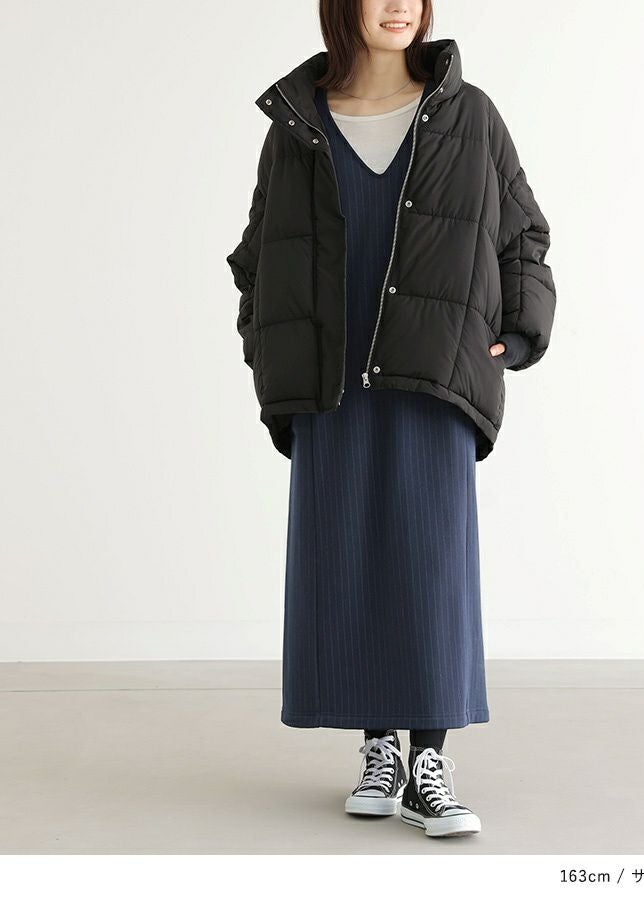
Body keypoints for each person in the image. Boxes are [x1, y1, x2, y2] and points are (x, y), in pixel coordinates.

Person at [227, 0, 556, 839]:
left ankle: (429, 763)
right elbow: (259, 251)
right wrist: (265, 343)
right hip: (331, 376)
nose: (399, 4)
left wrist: (518, 331)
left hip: (432, 371)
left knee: (430, 565)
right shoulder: (298, 122)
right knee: (346, 560)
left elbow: (521, 231)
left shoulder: (469, 114)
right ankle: (379, 751)